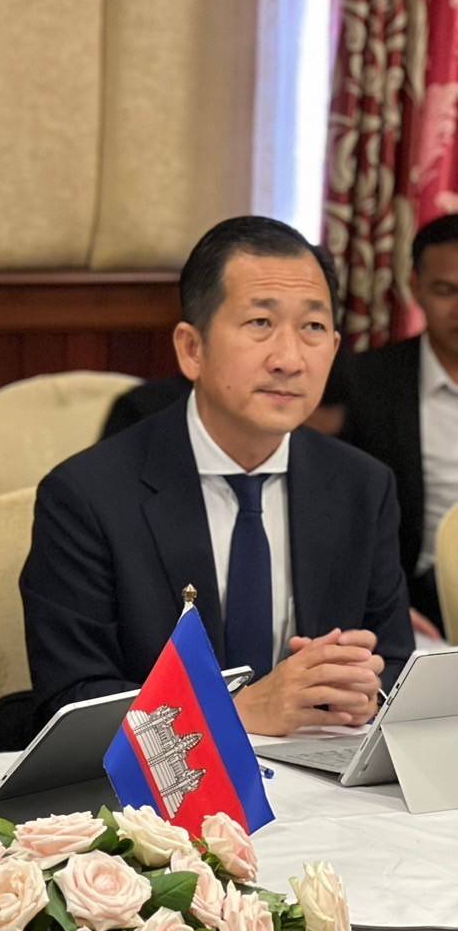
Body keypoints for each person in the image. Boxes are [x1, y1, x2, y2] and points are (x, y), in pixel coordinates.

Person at [21, 215, 412, 738]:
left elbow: (393, 663)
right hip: (158, 782)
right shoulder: (87, 496)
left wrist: (366, 691)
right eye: (260, 323)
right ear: (192, 349)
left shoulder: (363, 486)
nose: (289, 359)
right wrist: (234, 711)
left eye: (313, 328)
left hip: (316, 768)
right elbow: (71, 698)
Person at [340, 213, 458, 637]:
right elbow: (342, 511)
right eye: (446, 291)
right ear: (415, 286)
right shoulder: (368, 382)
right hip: (415, 594)